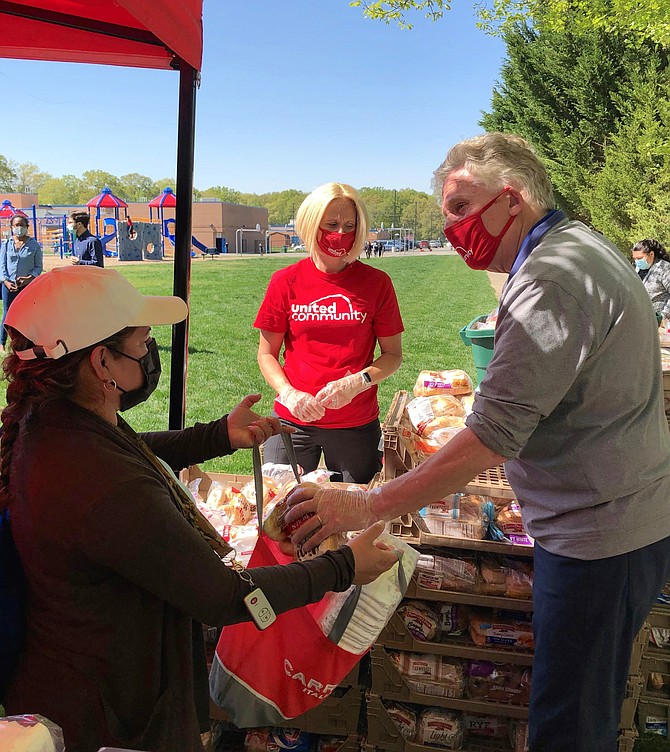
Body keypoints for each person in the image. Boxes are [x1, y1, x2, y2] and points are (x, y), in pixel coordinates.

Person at [284, 133, 670, 752]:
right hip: (613, 517)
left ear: (510, 201)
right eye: (446, 212)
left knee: (568, 721)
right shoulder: (579, 247)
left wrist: (369, 504)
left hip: (599, 536)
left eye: (461, 208)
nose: (451, 226)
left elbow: (492, 434)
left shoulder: (551, 280)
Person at [0, 265, 397, 752]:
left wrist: (217, 436)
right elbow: (224, 596)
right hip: (109, 715)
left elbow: (132, 450)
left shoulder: (58, 424)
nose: (152, 354)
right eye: (145, 343)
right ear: (101, 363)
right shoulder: (96, 480)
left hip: (87, 679)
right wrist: (344, 567)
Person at [254, 182, 404, 484]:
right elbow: (266, 354)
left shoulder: (377, 283)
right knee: (278, 507)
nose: (341, 234)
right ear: (312, 226)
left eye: (350, 225)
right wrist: (289, 392)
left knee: (356, 515)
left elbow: (393, 356)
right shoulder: (285, 281)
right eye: (332, 224)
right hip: (292, 421)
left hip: (355, 424)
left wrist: (357, 381)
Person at [0, 214, 42, 351]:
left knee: (26, 314)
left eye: (22, 225)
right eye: (16, 225)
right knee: (7, 313)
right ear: (12, 227)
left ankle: (25, 342)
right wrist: (5, 281)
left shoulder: (34, 245)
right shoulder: (6, 244)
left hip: (27, 286)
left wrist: (29, 278)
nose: (19, 228)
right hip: (8, 286)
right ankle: (2, 342)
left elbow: (38, 267)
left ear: (27, 227)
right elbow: (2, 266)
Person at [632, 238, 670, 323]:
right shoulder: (637, 269)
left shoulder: (665, 268)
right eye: (635, 258)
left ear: (651, 254)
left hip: (660, 320)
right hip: (642, 318)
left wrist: (664, 315)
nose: (637, 261)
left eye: (640, 258)